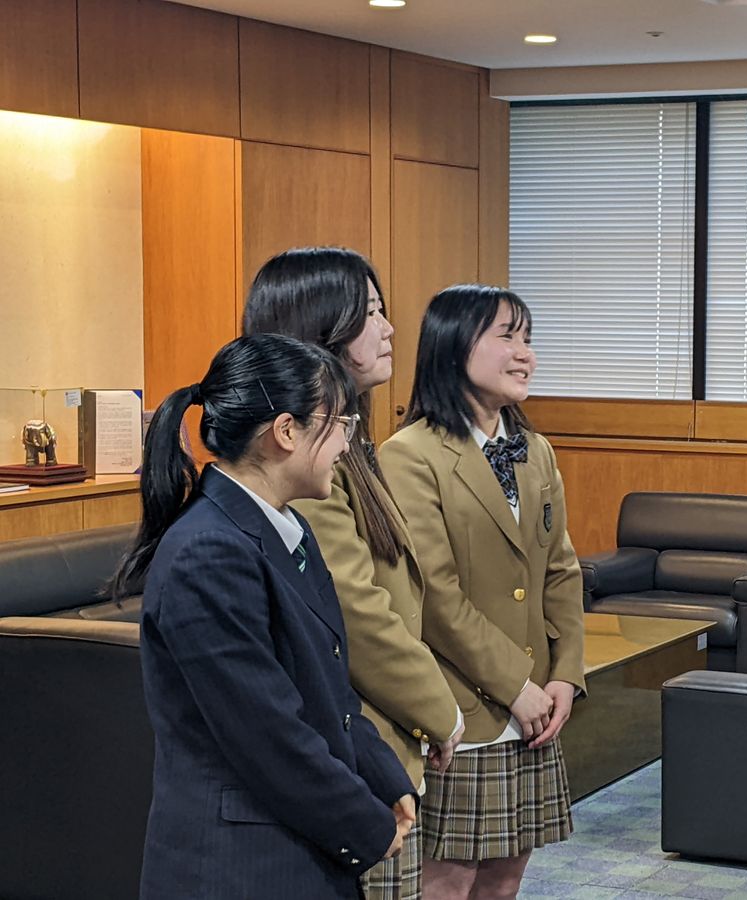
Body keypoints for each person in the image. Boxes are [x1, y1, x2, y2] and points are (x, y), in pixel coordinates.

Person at [111, 333, 418, 899]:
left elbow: (328, 688)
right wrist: (366, 826)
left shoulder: (288, 528)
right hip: (241, 864)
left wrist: (383, 776)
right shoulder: (210, 551)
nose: (346, 447)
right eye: (339, 427)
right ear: (285, 431)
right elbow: (269, 734)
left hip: (293, 844)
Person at [243, 247, 464, 900]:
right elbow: (354, 612)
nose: (391, 328)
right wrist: (438, 710)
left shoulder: (352, 437)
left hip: (382, 741)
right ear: (321, 329)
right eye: (370, 313)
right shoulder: (303, 453)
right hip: (350, 744)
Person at [378, 284, 586, 900]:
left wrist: (564, 677)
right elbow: (435, 598)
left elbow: (560, 571)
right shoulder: (409, 455)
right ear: (453, 345)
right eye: (507, 336)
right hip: (464, 705)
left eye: (529, 339)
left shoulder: (535, 450)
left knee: (507, 874)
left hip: (535, 705)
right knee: (450, 879)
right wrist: (515, 688)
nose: (525, 354)